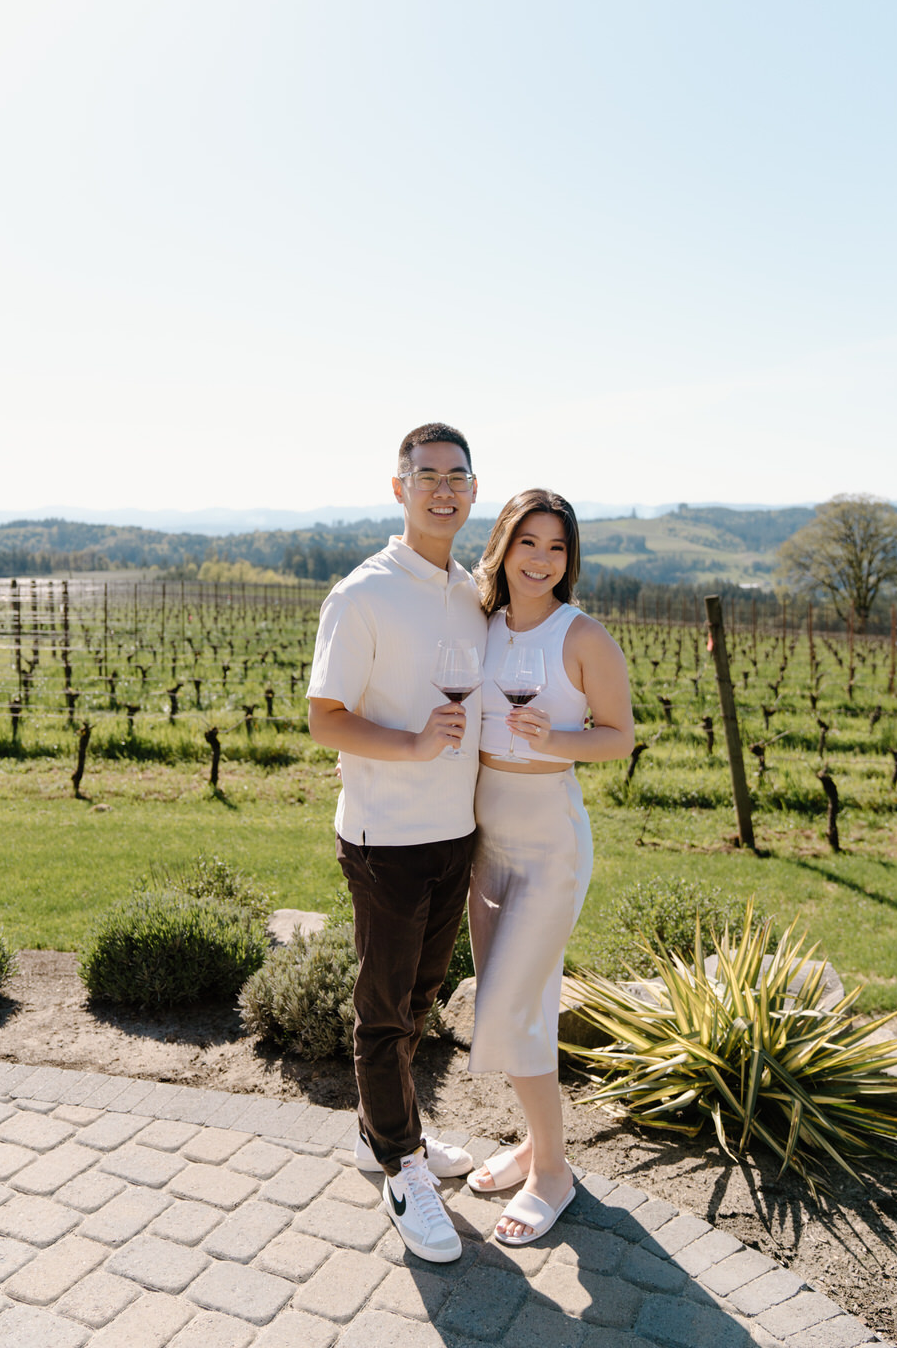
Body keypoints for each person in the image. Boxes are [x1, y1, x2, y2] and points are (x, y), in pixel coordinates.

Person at [306, 423, 487, 1264]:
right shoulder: (363, 593)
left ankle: (380, 1129)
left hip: (455, 831)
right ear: (399, 487)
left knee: (418, 1002)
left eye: (457, 476)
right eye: (428, 477)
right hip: (387, 840)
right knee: (383, 1017)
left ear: (473, 492)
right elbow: (323, 718)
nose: (442, 490)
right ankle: (402, 1169)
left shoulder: (470, 590)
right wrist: (414, 744)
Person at [464, 488, 634, 1245]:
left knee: (508, 1007)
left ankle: (553, 1173)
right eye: (527, 543)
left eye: (556, 547)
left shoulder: (582, 635)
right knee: (517, 1006)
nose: (541, 560)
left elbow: (618, 738)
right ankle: (539, 1144)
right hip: (483, 839)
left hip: (550, 841)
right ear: (503, 545)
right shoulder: (480, 624)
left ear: (570, 559)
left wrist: (557, 739)